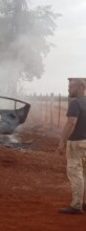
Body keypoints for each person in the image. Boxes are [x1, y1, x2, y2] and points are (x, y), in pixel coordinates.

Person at [56, 78, 86, 215]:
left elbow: (70, 123)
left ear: (81, 87)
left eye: (71, 87)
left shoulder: (75, 104)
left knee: (75, 173)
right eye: (68, 86)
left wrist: (62, 141)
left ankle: (76, 205)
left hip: (76, 143)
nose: (68, 89)